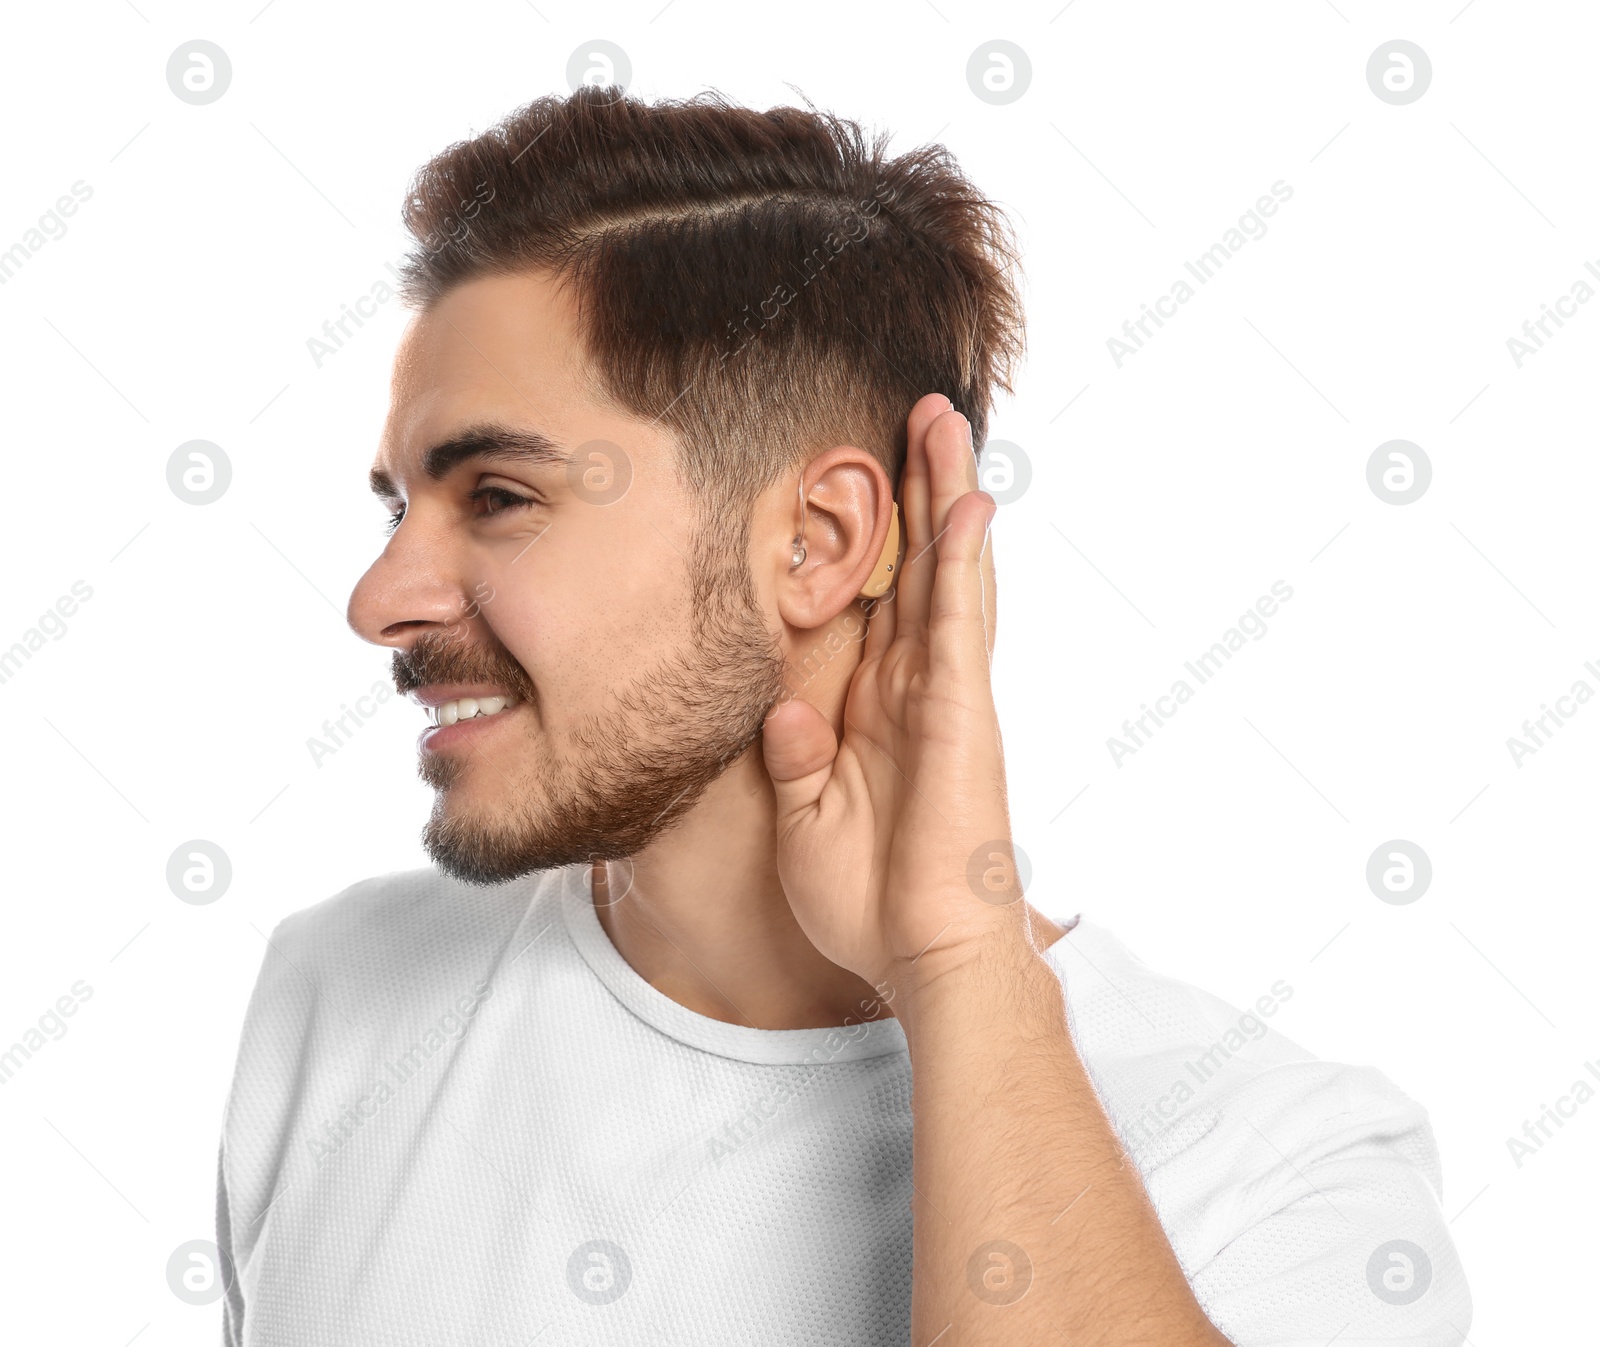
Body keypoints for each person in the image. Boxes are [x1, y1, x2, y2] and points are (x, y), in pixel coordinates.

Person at [216, 87, 1472, 1345]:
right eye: (397, 510)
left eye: (495, 495)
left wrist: (958, 967)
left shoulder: (1277, 1176)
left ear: (816, 542)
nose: (381, 599)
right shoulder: (342, 998)